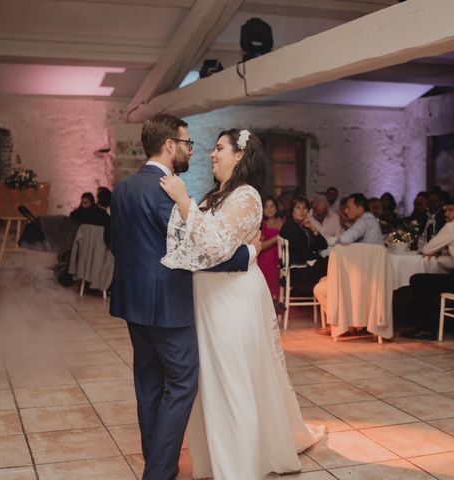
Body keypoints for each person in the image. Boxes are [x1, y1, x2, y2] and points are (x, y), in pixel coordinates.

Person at [160, 129, 323, 479]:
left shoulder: (246, 196)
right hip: (209, 297)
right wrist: (246, 249)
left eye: (219, 148)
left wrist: (183, 199)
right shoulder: (216, 195)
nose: (211, 154)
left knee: (233, 381)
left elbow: (213, 243)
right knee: (213, 383)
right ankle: (217, 461)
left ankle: (239, 468)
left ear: (240, 155)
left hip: (232, 299)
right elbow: (190, 247)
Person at [109, 114, 256, 480]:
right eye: (187, 143)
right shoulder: (165, 189)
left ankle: (161, 464)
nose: (192, 150)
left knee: (148, 386)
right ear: (170, 145)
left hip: (132, 304)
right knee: (181, 384)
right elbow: (200, 249)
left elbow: (113, 242)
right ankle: (158, 473)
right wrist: (247, 255)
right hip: (168, 308)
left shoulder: (123, 188)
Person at [403, 198, 454, 340]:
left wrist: (438, 249)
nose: (446, 214)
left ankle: (426, 328)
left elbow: (427, 249)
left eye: (450, 210)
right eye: (445, 210)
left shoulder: (452, 226)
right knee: (438, 279)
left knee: (419, 280)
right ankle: (444, 323)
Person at [313, 192, 383, 335]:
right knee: (324, 280)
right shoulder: (371, 221)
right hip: (371, 279)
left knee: (319, 288)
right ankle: (350, 323)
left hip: (361, 280)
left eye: (349, 207)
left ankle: (341, 324)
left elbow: (344, 239)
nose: (345, 210)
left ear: (360, 208)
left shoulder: (364, 221)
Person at [279, 196, 329, 296]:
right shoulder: (290, 227)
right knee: (332, 262)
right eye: (298, 208)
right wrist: (317, 257)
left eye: (304, 208)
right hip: (298, 273)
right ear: (292, 210)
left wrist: (313, 228)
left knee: (331, 262)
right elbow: (305, 253)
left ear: (308, 211)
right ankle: (330, 301)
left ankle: (327, 299)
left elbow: (323, 245)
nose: (301, 211)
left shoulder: (303, 227)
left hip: (303, 270)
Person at [258, 196, 284, 303]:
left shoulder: (283, 222)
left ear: (277, 208)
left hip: (281, 258)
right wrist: (276, 238)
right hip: (266, 259)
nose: (269, 209)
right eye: (266, 207)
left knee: (279, 285)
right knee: (267, 287)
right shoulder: (262, 225)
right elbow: (261, 246)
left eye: (272, 206)